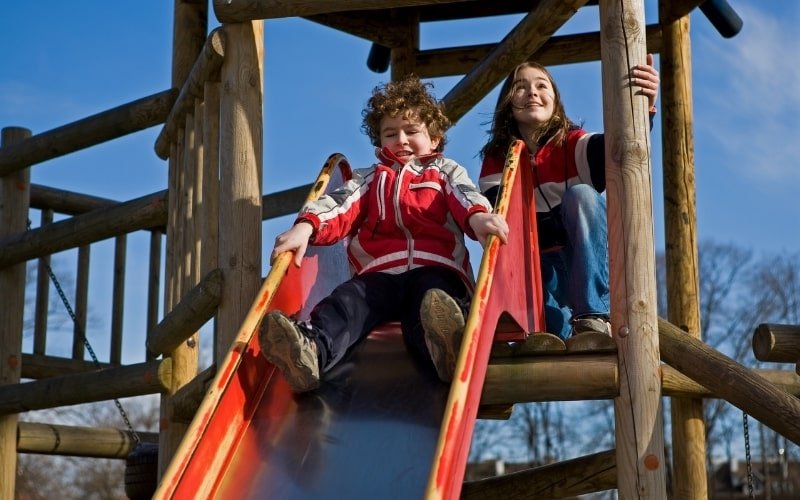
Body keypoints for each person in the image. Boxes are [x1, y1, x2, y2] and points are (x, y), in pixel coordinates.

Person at [260, 76, 509, 393]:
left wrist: (479, 219)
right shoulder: (370, 178)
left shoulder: (444, 170)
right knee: (347, 303)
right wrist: (305, 227)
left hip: (435, 268)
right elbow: (339, 205)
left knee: (433, 304)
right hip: (379, 274)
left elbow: (465, 196)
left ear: (434, 139)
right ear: (380, 143)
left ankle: (446, 348)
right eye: (391, 134)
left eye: (411, 131)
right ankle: (310, 353)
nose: (401, 140)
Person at [478, 55, 659, 343]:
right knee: (549, 320)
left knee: (582, 195)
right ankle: (546, 334)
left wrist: (643, 107)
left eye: (541, 86)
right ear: (508, 104)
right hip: (540, 269)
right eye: (520, 87)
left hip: (582, 262)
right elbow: (499, 216)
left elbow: (619, 147)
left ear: (555, 101)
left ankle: (592, 316)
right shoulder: (500, 159)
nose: (532, 92)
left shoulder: (573, 144)